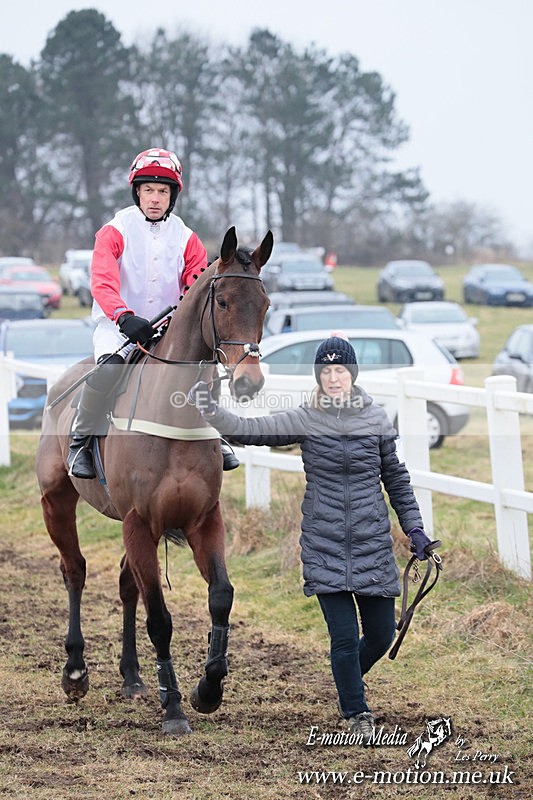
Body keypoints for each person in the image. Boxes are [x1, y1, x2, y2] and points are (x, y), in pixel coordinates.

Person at [187, 334, 437, 738]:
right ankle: (356, 712)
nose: (333, 378)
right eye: (326, 371)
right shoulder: (306, 417)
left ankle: (347, 680)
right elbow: (249, 429)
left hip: (372, 543)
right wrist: (210, 410)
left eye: (340, 370)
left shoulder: (375, 420)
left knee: (380, 634)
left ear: (352, 374)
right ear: (318, 376)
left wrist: (414, 528)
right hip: (324, 544)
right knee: (342, 638)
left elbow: (396, 479)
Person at [67, 146, 239, 478]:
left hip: (168, 331)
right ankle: (80, 441)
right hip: (120, 328)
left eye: (162, 191)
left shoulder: (187, 237)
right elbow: (102, 281)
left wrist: (182, 320)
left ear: (172, 195)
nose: (155, 198)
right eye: (149, 190)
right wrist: (123, 316)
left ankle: (216, 435)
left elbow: (196, 283)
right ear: (137, 192)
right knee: (109, 371)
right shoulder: (115, 230)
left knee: (203, 370)